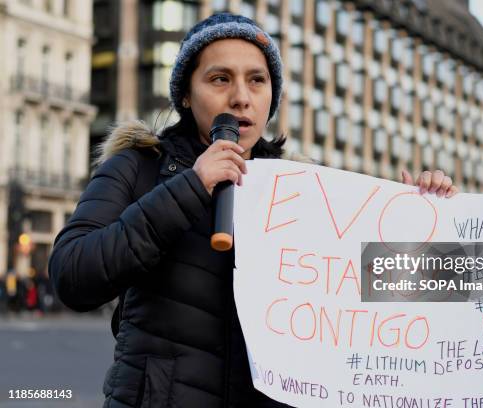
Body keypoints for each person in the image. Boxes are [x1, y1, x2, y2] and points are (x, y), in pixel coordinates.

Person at [48, 13, 458, 408]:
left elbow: (380, 302)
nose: (241, 97)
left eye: (257, 81)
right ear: (187, 96)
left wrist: (419, 221)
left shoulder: (307, 192)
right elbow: (72, 274)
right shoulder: (138, 167)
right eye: (220, 78)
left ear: (270, 98)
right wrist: (190, 188)